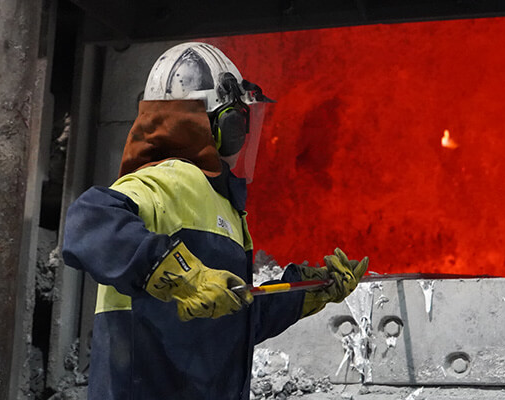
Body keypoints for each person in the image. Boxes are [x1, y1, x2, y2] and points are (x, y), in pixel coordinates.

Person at [62, 42, 369, 400]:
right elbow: (89, 219)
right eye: (241, 119)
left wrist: (306, 291)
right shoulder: (167, 181)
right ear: (222, 122)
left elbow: (230, 320)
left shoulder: (222, 205)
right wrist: (178, 271)